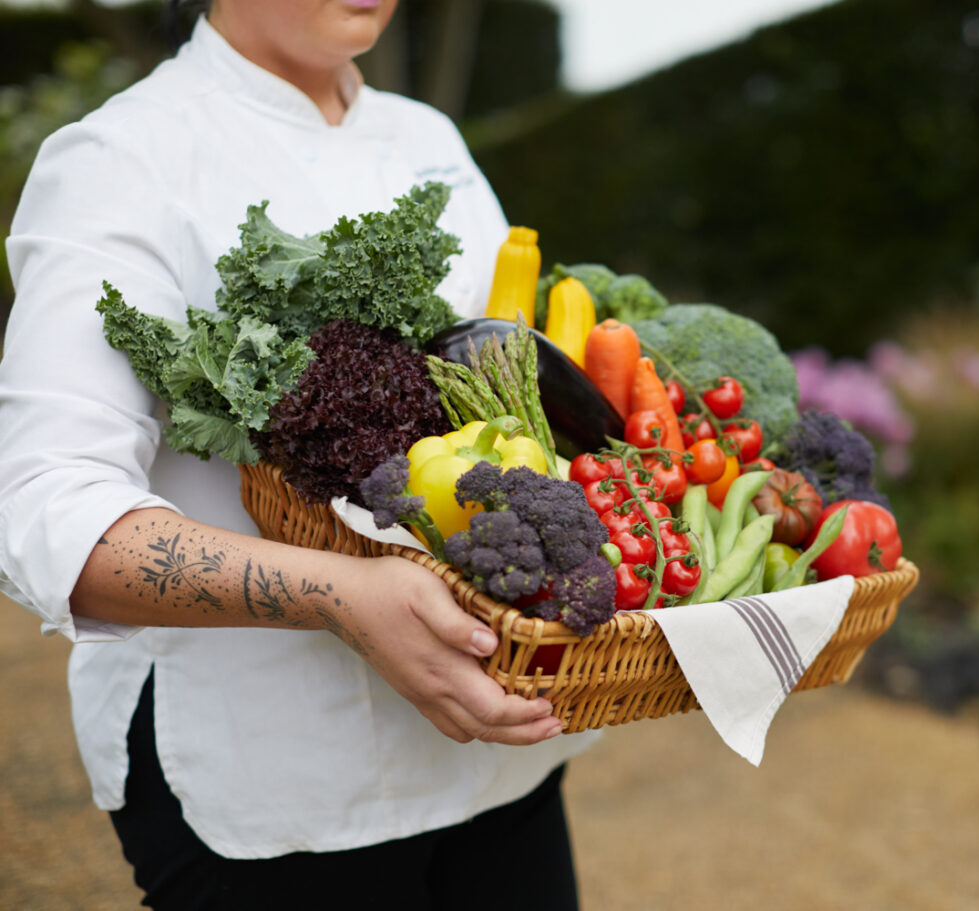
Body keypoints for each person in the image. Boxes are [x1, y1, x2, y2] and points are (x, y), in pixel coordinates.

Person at [0, 1, 595, 907]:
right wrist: (336, 593)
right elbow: (42, 511)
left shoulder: (425, 135)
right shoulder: (121, 161)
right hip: (271, 784)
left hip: (497, 757)